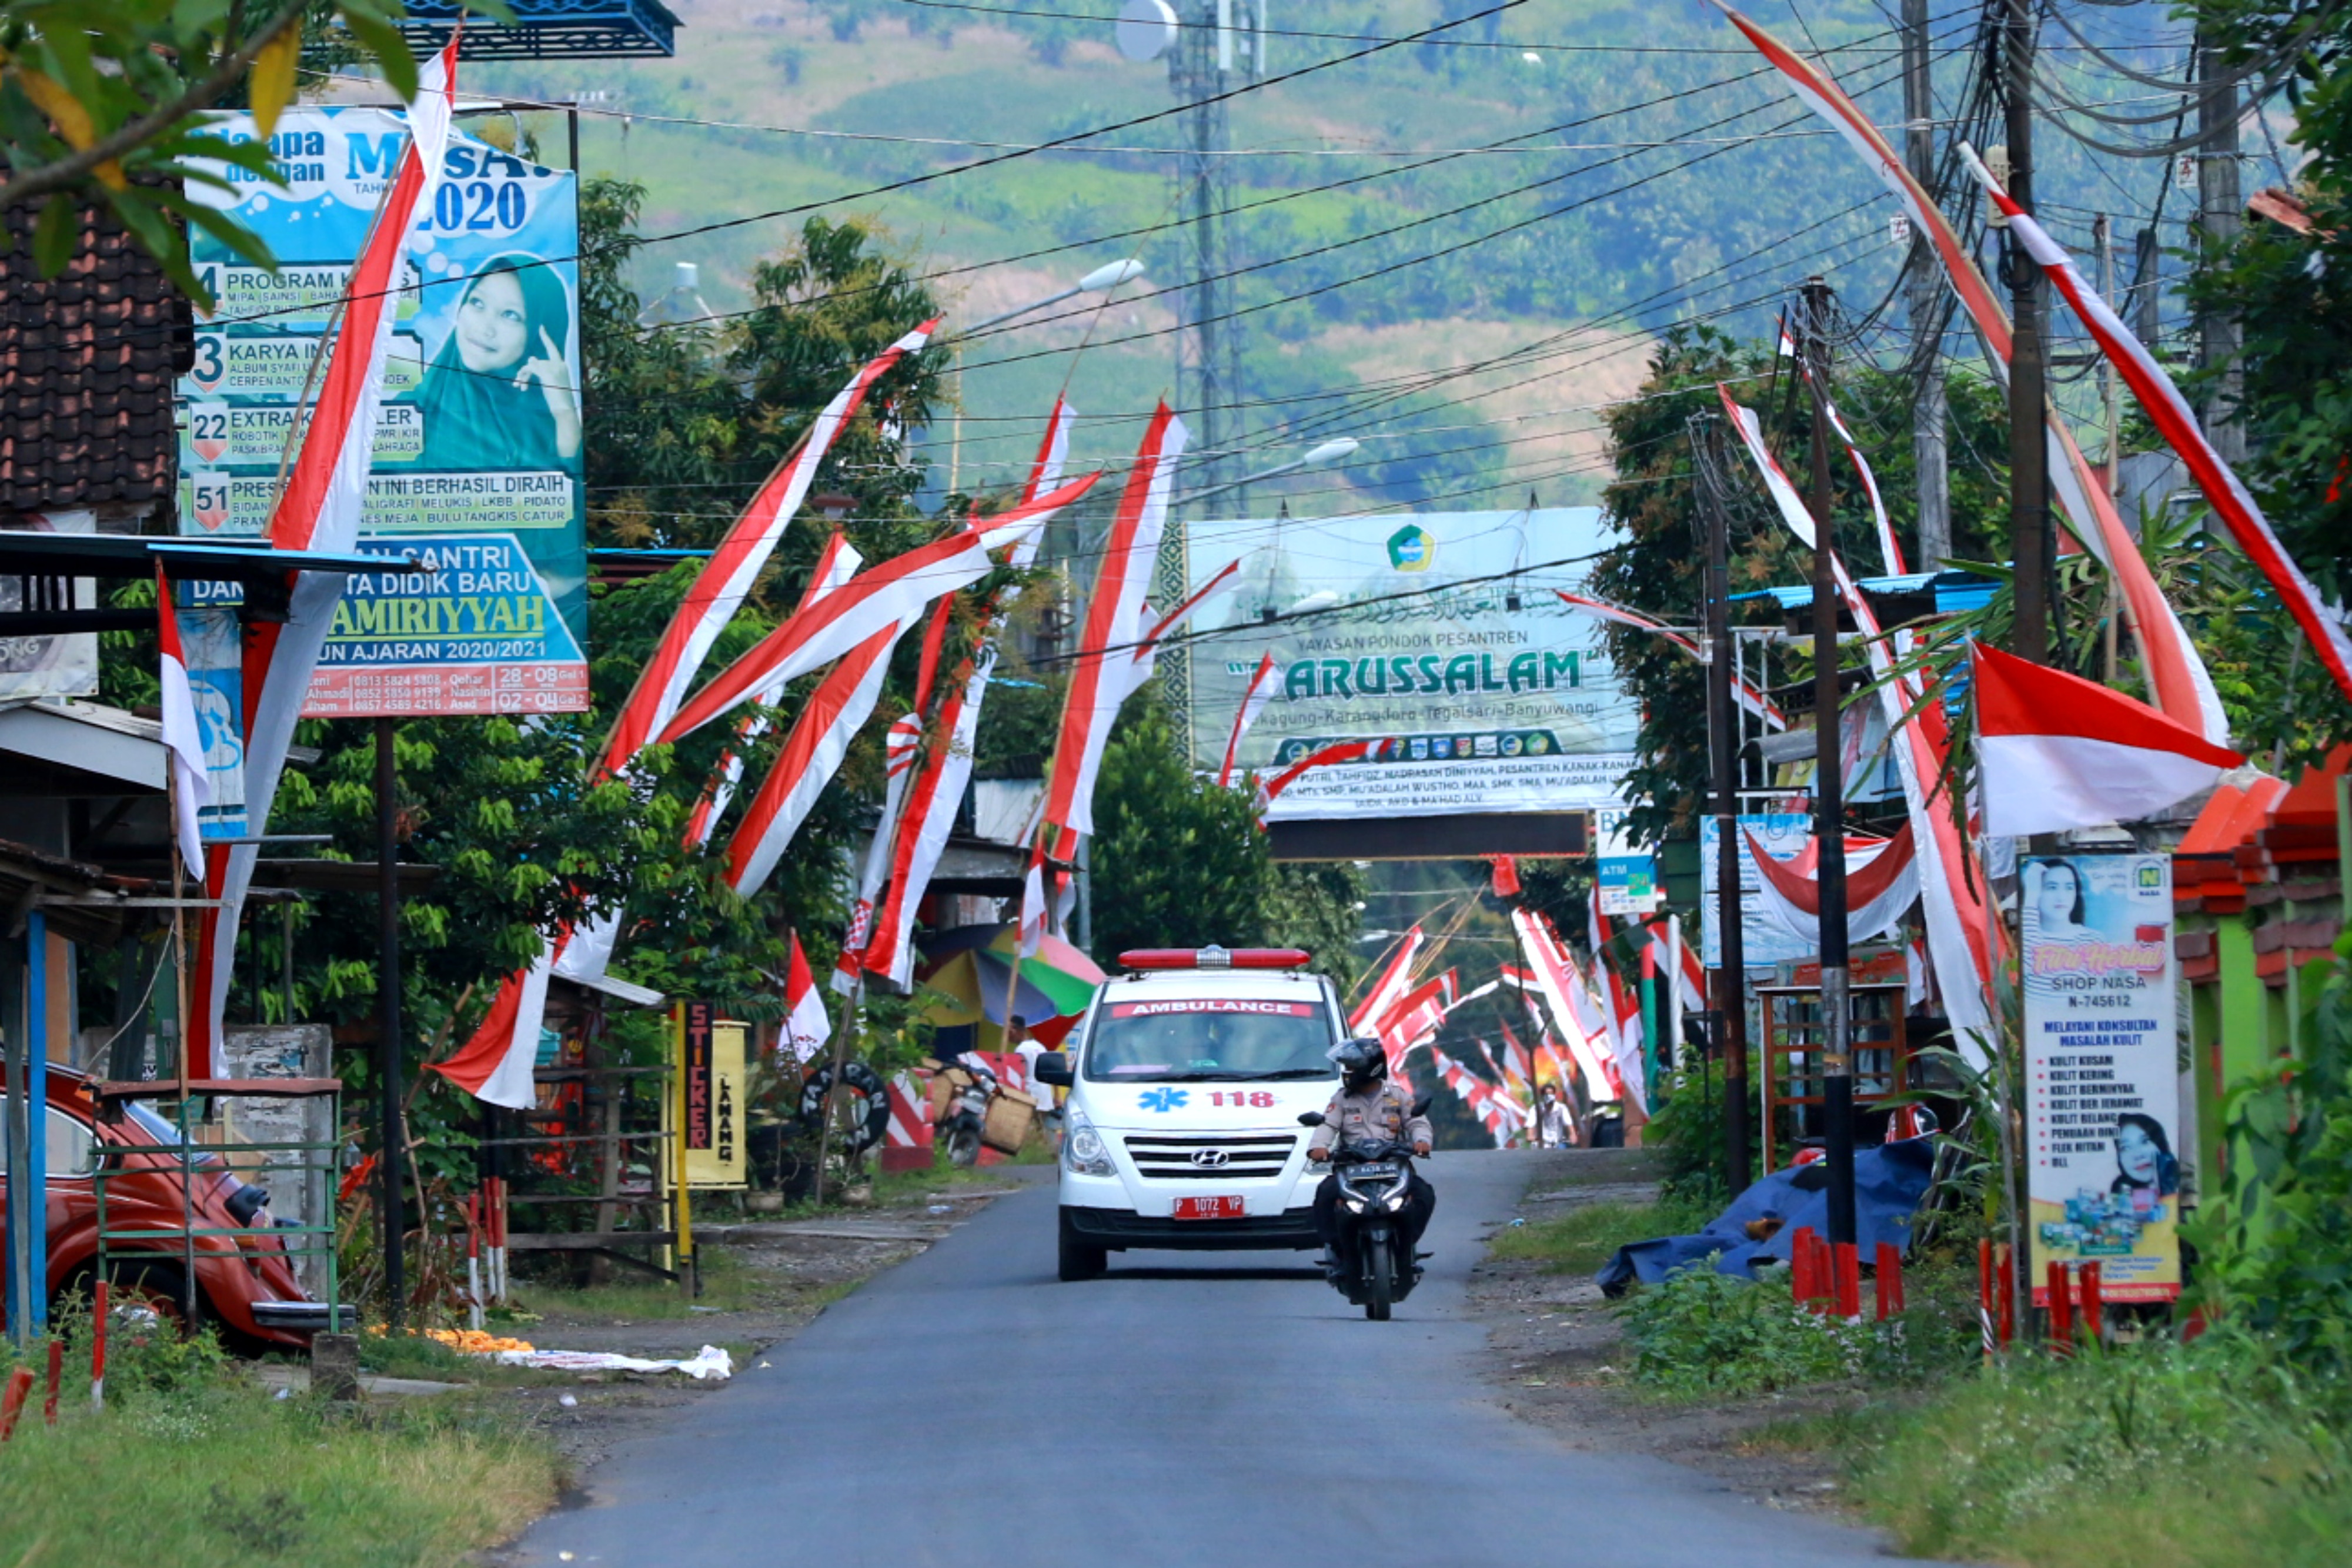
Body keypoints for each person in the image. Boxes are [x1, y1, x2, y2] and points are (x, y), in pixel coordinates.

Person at [415, 254, 581, 472]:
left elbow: (569, 496)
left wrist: (565, 413)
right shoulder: (413, 408)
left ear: (539, 334)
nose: (485, 328)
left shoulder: (548, 422)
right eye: (477, 303)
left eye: (510, 315)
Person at [1307, 1037, 1435, 1280]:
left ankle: (1407, 1246)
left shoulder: (1397, 1096)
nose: (1348, 1073)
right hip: (1352, 1167)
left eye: (1353, 1068)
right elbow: (1327, 1126)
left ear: (1371, 1068)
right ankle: (1339, 1251)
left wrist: (1422, 1142)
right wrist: (1319, 1147)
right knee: (1326, 1194)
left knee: (1423, 1194)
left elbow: (1417, 1121)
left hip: (1393, 1166)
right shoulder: (1341, 1099)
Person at [2110, 1112, 2180, 1203]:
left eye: (2145, 1142)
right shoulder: (2120, 1195)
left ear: (2160, 1144)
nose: (2138, 1155)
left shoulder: (2185, 1183)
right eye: (2126, 1148)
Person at [2027, 858, 2095, 943]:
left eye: (2069, 888)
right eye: (2052, 888)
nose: (2061, 897)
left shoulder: (2093, 938)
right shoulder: (2028, 936)